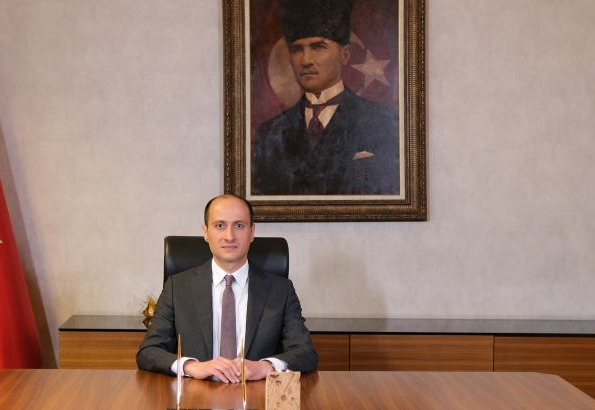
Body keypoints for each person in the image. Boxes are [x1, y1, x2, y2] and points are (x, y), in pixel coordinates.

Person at [136, 194, 318, 382]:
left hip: (255, 393)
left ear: (252, 232)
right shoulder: (177, 287)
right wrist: (192, 366)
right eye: (220, 225)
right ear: (206, 232)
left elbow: (305, 352)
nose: (229, 236)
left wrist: (265, 367)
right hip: (197, 393)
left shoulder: (281, 290)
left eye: (239, 225)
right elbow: (149, 351)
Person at [251, 0, 400, 195]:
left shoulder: (382, 123)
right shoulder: (270, 134)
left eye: (318, 47)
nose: (306, 60)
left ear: (344, 55)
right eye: (297, 49)